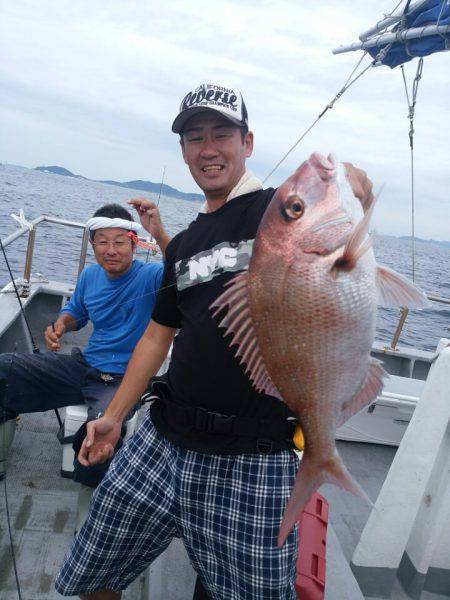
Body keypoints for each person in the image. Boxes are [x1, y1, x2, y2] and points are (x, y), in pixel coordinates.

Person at [55, 83, 374, 600]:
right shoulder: (181, 245)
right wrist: (114, 415)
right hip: (161, 440)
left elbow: (342, 207)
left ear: (247, 143)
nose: (208, 148)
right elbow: (158, 336)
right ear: (183, 152)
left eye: (222, 134)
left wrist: (359, 190)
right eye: (194, 137)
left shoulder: (279, 210)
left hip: (255, 456)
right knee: (92, 573)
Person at [0, 201, 169, 487]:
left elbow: (183, 269)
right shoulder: (90, 275)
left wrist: (160, 234)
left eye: (119, 242)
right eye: (102, 242)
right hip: (85, 365)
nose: (111, 250)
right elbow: (76, 312)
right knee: (5, 368)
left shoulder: (151, 276)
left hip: (124, 380)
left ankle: (93, 507)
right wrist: (60, 326)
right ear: (92, 245)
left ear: (135, 244)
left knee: (99, 438)